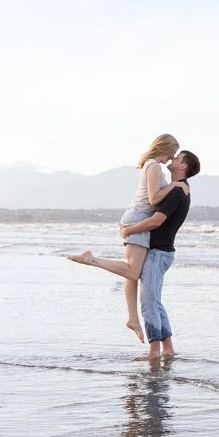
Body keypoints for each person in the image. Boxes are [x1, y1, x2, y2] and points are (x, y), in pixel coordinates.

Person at [67, 134, 180, 341]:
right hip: (138, 219)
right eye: (172, 152)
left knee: (132, 272)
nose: (172, 158)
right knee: (132, 271)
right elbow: (154, 198)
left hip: (137, 218)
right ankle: (90, 259)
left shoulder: (150, 164)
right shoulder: (154, 165)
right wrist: (174, 185)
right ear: (165, 147)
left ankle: (132, 318)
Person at [120, 150, 201, 361]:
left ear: (183, 166)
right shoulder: (177, 189)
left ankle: (154, 352)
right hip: (163, 252)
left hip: (158, 253)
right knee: (155, 301)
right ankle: (168, 348)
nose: (173, 159)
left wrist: (129, 230)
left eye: (177, 157)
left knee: (148, 302)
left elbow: (156, 221)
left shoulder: (177, 191)